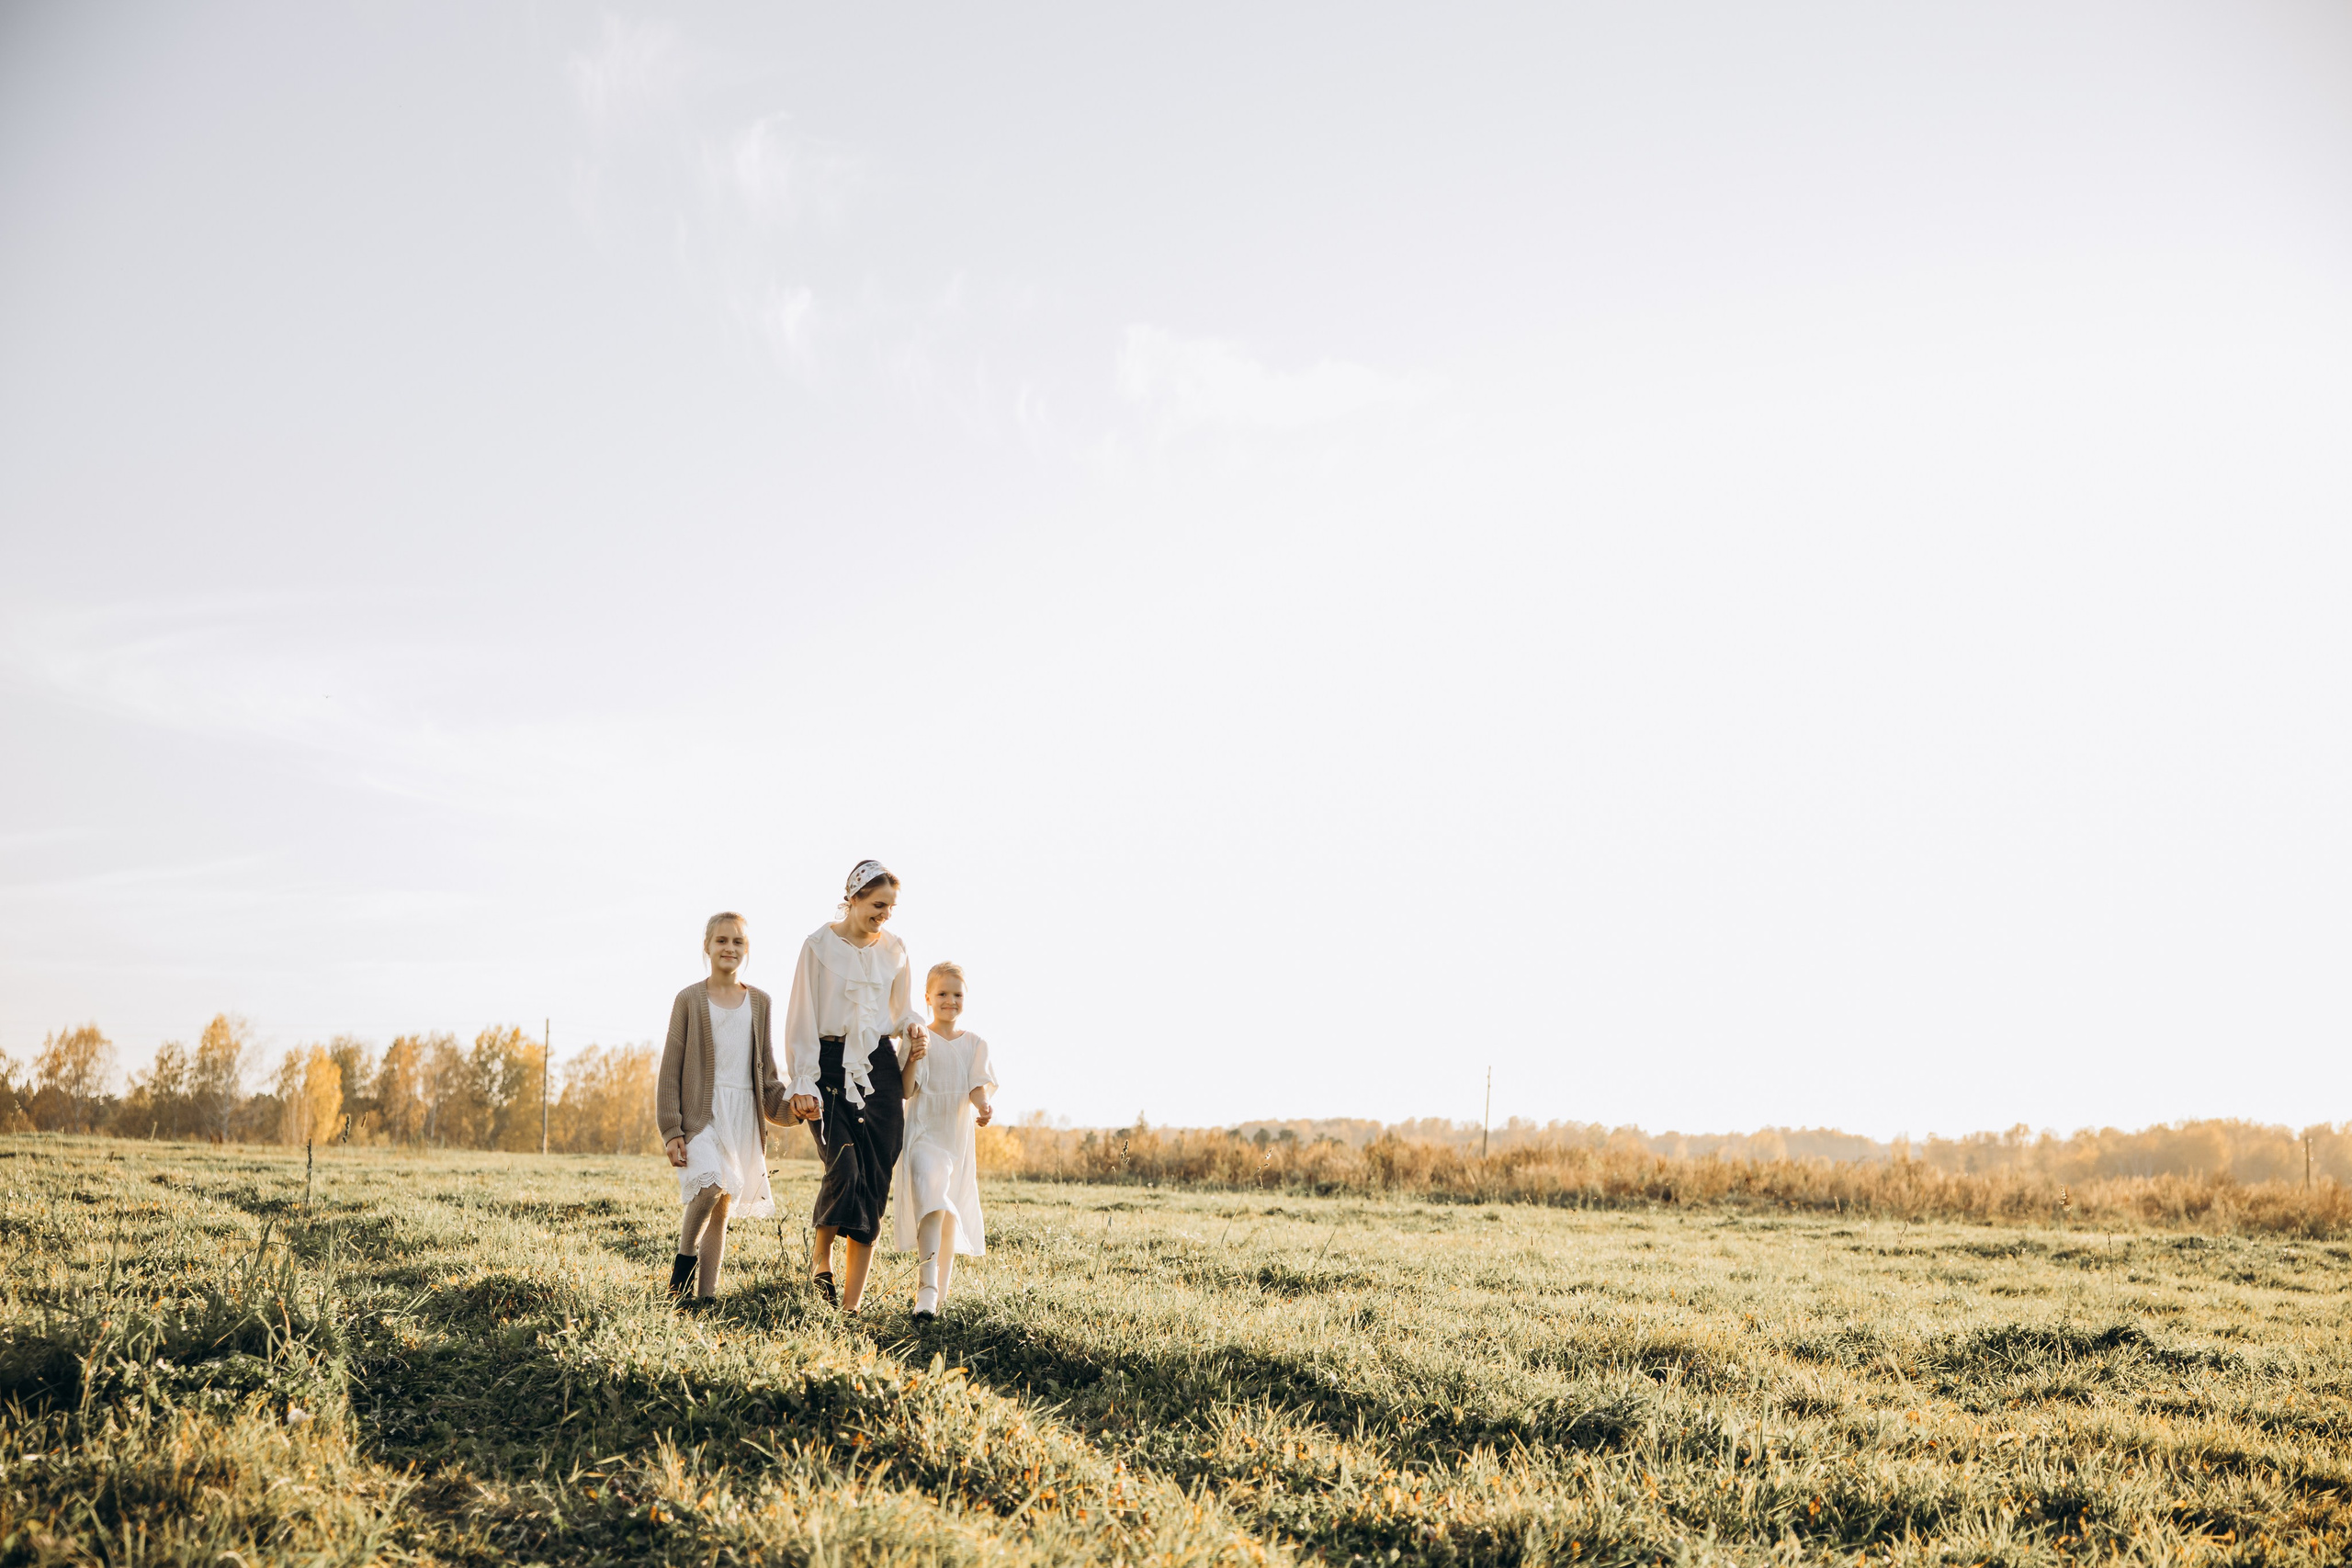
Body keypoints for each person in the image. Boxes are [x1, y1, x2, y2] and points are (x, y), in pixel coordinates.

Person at [786, 860, 928, 1313]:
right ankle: (820, 1261)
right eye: (877, 904)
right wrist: (802, 1078)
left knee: (873, 1179)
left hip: (879, 1067)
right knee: (843, 1166)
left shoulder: (896, 949)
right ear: (853, 897)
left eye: (890, 907)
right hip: (828, 1065)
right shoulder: (818, 946)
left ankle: (850, 1306)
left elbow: (901, 1009)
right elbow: (802, 1014)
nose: (884, 914)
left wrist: (914, 1029)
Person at [656, 911, 788, 1308]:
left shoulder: (761, 1002)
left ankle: (705, 1298)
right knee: (710, 1187)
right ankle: (681, 1274)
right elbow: (670, 1068)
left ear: (746, 949)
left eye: (738, 942)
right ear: (707, 947)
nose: (729, 948)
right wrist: (671, 1130)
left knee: (723, 1207)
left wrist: (791, 1110)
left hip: (742, 1116)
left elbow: (767, 1075)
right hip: (700, 1114)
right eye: (722, 941)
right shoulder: (689, 999)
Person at [894, 960, 997, 1322]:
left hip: (956, 1136)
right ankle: (926, 1288)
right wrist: (912, 1058)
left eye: (957, 994)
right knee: (931, 1199)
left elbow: (976, 1086)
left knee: (948, 1211)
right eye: (941, 994)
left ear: (965, 998)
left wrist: (984, 1106)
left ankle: (938, 1295)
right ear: (927, 998)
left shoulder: (975, 1043)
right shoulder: (918, 1035)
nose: (949, 1000)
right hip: (923, 1131)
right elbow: (906, 1089)